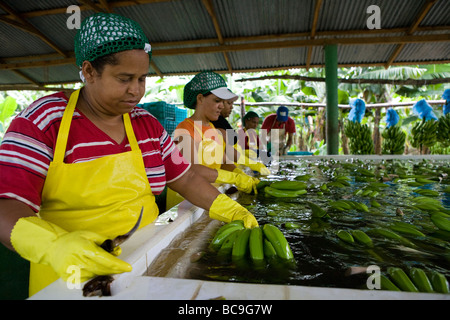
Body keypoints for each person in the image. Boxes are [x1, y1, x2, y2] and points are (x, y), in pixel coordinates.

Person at [0, 13, 257, 297]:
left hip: (145, 263)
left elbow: (184, 178)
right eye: (124, 78)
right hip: (70, 276)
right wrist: (53, 245)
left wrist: (227, 207)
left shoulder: (146, 124)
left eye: (142, 78)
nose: (136, 91)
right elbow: (7, 206)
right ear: (89, 71)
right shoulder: (44, 120)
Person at [173, 71, 261, 188]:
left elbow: (223, 162)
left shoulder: (213, 129)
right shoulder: (184, 129)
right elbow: (193, 170)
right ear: (200, 99)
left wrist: (238, 173)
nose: (222, 106)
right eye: (217, 100)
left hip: (210, 194)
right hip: (187, 202)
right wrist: (234, 178)